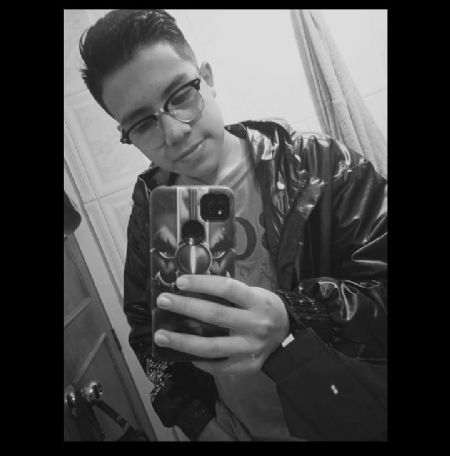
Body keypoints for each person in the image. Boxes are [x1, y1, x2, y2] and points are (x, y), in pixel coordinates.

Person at [78, 9, 387, 441]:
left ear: (207, 77)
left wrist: (296, 317)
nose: (174, 133)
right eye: (143, 123)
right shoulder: (150, 213)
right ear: (125, 131)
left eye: (180, 95)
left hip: (355, 420)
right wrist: (200, 424)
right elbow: (149, 338)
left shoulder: (321, 166)